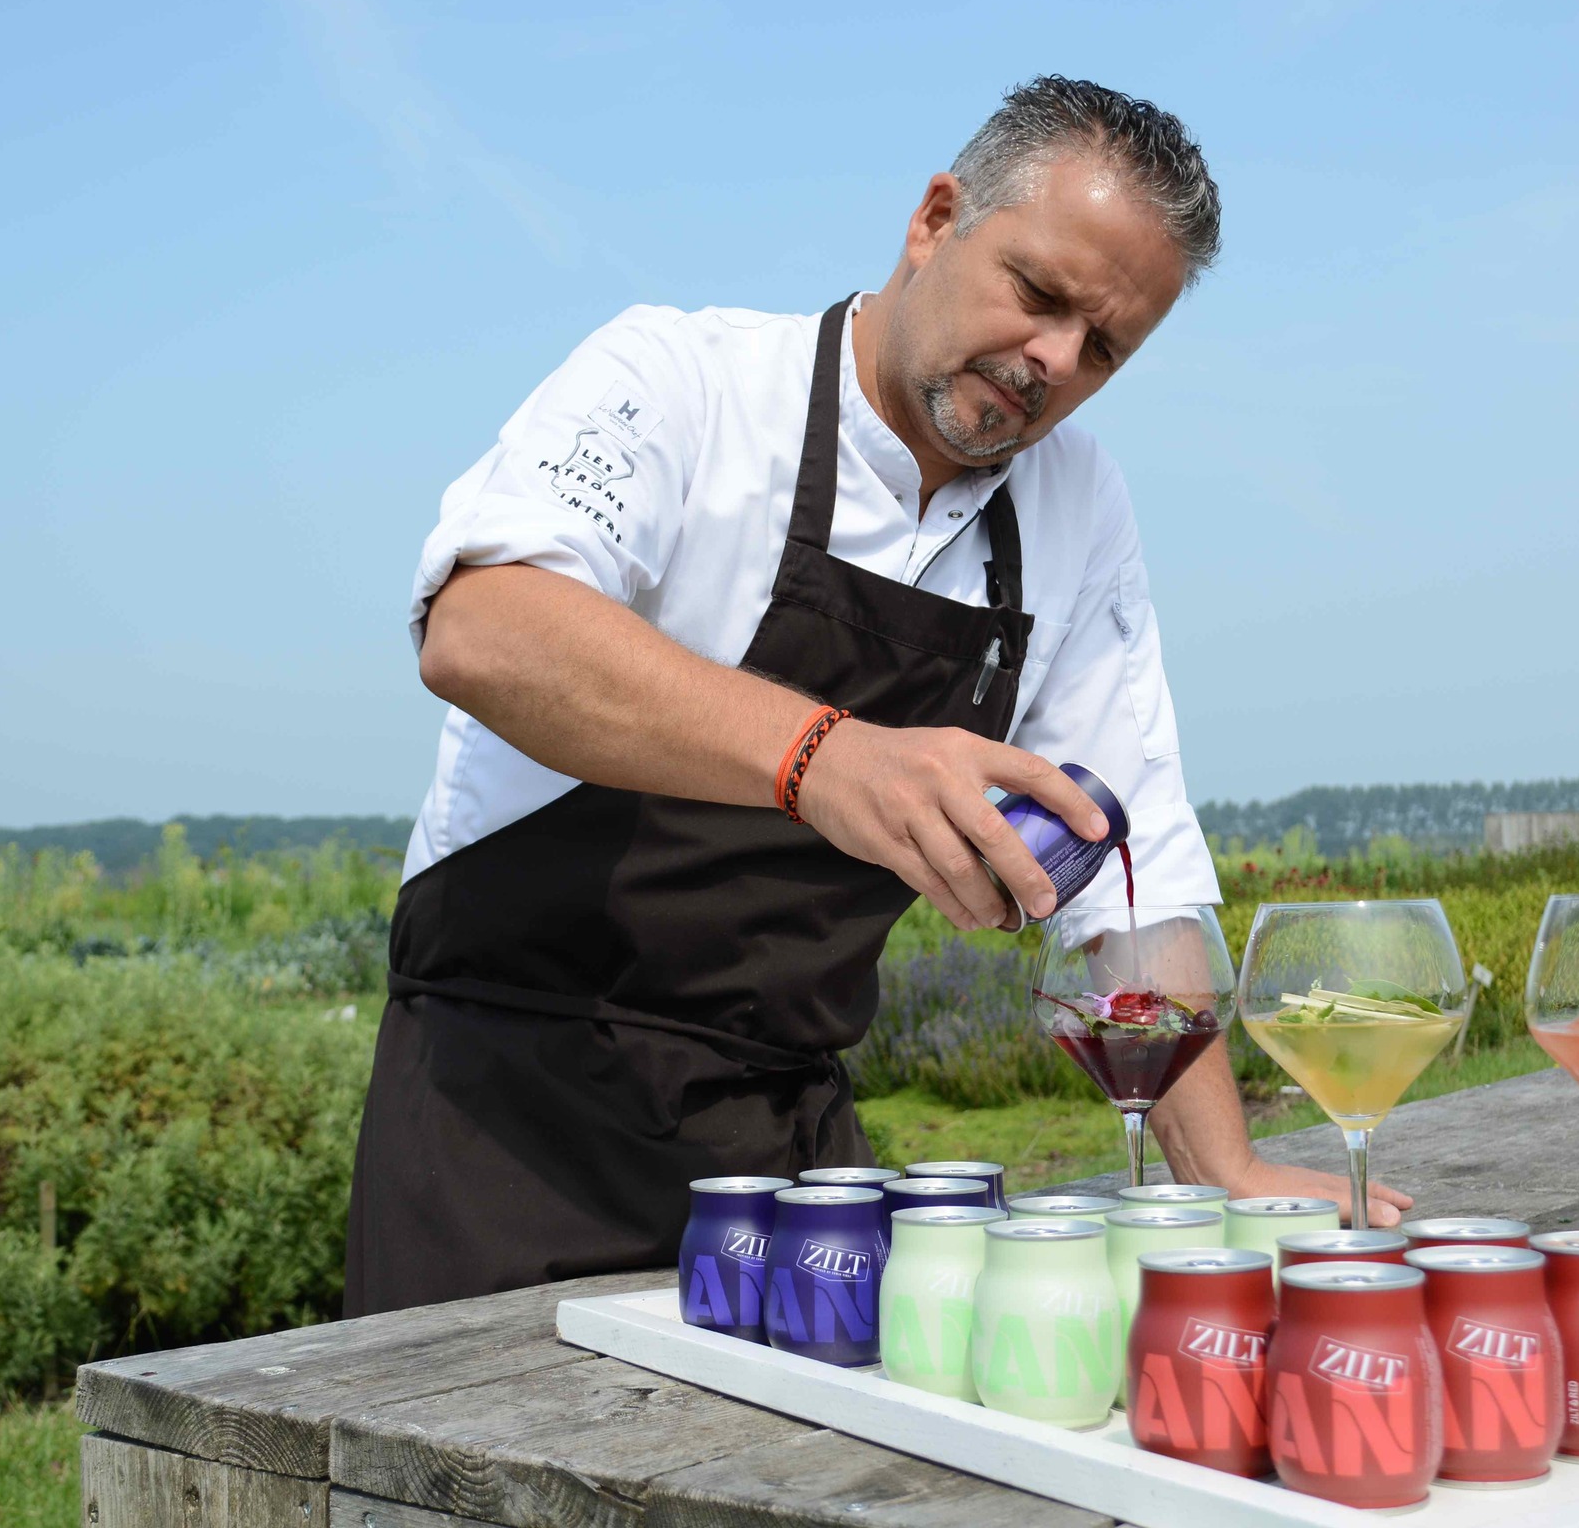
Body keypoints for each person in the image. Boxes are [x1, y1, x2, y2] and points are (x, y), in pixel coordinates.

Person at [346, 75, 1408, 1316]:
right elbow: (486, 627)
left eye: (1104, 346)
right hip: (503, 1136)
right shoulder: (681, 380)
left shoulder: (1074, 506)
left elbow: (1129, 854)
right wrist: (825, 757)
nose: (1054, 360)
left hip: (795, 1172)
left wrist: (1220, 1167)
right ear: (935, 217)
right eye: (1040, 294)